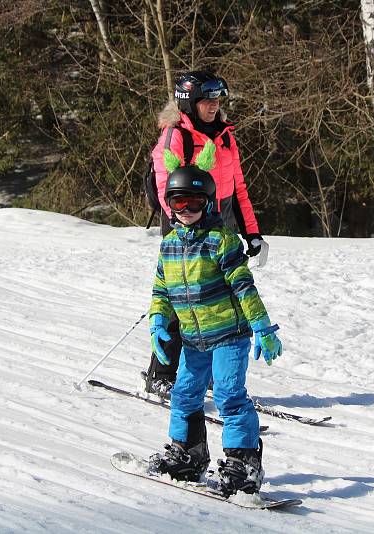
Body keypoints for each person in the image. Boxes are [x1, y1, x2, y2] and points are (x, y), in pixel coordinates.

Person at [146, 144, 283, 497]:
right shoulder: (169, 245)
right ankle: (188, 456)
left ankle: (243, 466)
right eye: (179, 203)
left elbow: (243, 285)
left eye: (194, 203)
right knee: (184, 395)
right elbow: (161, 291)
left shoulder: (221, 241)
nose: (187, 210)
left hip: (228, 337)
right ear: (169, 205)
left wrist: (262, 326)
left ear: (208, 203)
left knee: (229, 396)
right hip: (193, 341)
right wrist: (157, 321)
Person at [142, 70, 267, 397]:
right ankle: (162, 374)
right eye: (207, 100)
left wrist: (252, 234)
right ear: (190, 102)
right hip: (184, 223)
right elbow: (164, 186)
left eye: (216, 99)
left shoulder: (225, 135)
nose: (214, 106)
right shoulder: (177, 136)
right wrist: (188, 225)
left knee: (219, 300)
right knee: (182, 297)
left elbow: (238, 188)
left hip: (220, 221)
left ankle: (209, 370)